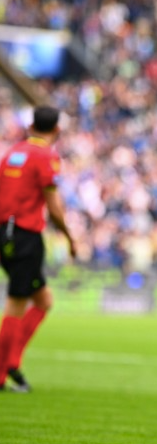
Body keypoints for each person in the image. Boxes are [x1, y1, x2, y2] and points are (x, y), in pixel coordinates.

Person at [0, 105, 76, 393]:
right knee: (16, 303)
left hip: (5, 232)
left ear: (31, 126)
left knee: (43, 300)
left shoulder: (12, 153)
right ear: (56, 130)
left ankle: (12, 361)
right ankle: (2, 372)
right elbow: (53, 207)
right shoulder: (46, 156)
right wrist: (69, 237)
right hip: (25, 236)